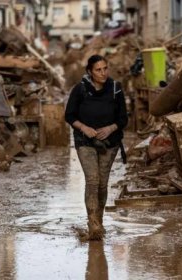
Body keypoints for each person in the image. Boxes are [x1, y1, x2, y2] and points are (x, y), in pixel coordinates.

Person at [65, 55, 128, 240]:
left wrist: (110, 128)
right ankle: (93, 224)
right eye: (98, 70)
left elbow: (123, 119)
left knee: (102, 183)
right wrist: (84, 128)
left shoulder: (115, 89)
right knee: (92, 180)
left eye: (105, 68)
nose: (103, 73)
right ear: (90, 72)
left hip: (110, 143)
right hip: (85, 142)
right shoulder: (80, 89)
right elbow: (69, 116)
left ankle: (98, 222)